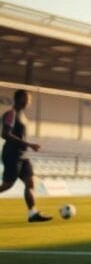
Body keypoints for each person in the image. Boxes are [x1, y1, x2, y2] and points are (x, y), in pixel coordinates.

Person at [0, 90, 51, 222]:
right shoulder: (11, 114)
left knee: (30, 181)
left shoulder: (22, 115)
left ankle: (32, 213)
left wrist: (27, 146)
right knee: (7, 185)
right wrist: (29, 144)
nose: (29, 101)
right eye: (27, 99)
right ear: (19, 99)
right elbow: (5, 134)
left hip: (22, 155)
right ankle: (32, 213)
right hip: (12, 154)